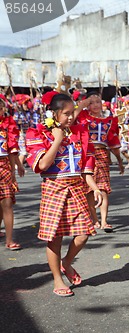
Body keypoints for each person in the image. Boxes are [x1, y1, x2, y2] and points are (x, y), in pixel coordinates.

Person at [26, 92, 103, 297]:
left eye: (72, 113)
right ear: (54, 113)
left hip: (76, 188)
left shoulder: (80, 133)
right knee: (54, 238)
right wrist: (57, 140)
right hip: (54, 189)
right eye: (66, 113)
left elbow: (85, 168)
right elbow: (42, 165)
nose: (71, 117)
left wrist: (95, 188)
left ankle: (66, 263)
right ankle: (57, 279)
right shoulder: (37, 133)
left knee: (85, 233)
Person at [76, 92, 124, 232]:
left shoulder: (109, 121)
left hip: (102, 154)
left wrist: (120, 161)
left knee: (103, 188)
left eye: (98, 102)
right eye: (91, 102)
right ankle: (94, 220)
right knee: (90, 189)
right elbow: (72, 116)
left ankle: (104, 221)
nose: (95, 105)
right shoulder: (82, 117)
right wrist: (82, 105)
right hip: (86, 154)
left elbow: (113, 142)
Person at [0, 94, 24, 250]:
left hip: (4, 167)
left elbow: (11, 149)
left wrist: (17, 166)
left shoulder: (8, 125)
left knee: (7, 202)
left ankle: (9, 240)